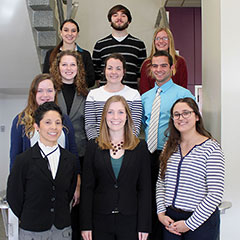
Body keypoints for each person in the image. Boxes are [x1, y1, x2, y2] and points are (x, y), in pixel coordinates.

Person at [80, 95, 151, 240]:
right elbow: (87, 188)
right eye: (110, 112)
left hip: (131, 220)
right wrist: (85, 224)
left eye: (120, 112)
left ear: (127, 116)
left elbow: (145, 189)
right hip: (100, 220)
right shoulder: (93, 146)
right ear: (104, 116)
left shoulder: (140, 147)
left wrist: (144, 225)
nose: (115, 117)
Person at [141, 50, 194, 240]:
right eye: (155, 66)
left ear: (172, 68)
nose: (159, 69)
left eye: (164, 65)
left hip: (171, 155)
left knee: (167, 201)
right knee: (150, 200)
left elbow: (190, 126)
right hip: (148, 155)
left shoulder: (183, 94)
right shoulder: (145, 97)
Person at [7, 101, 78, 240]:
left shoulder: (70, 159)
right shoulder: (23, 160)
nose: (54, 127)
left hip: (62, 230)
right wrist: (30, 217)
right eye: (48, 122)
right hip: (32, 230)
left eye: (58, 123)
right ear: (37, 126)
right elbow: (14, 196)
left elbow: (68, 192)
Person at [156, 97, 225, 240]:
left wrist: (189, 224)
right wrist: (161, 213)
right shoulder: (169, 146)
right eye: (176, 114)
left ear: (197, 117)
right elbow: (161, 183)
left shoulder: (211, 148)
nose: (181, 118)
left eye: (186, 113)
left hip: (201, 222)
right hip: (171, 221)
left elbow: (215, 193)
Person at [50, 49, 88, 240]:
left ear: (78, 68)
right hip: (56, 155)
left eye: (72, 64)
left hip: (80, 155)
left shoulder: (86, 93)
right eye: (64, 64)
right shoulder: (51, 92)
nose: (68, 68)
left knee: (78, 202)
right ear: (58, 68)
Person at [10, 73, 78, 170]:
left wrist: (77, 175)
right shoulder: (21, 120)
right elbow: (15, 156)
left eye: (49, 91)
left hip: (62, 177)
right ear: (34, 94)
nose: (45, 95)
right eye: (40, 91)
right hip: (32, 178)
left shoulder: (65, 119)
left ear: (55, 92)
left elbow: (72, 150)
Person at [85, 53, 142, 140]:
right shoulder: (93, 95)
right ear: (104, 71)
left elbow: (135, 127)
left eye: (118, 68)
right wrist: (99, 146)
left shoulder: (134, 95)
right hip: (99, 147)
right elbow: (90, 126)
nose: (114, 72)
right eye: (110, 68)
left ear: (124, 71)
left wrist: (122, 146)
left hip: (126, 147)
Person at [92, 4, 146, 89]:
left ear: (129, 21)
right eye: (115, 15)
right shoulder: (100, 45)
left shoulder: (139, 45)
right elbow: (96, 73)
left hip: (130, 95)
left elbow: (141, 73)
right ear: (110, 20)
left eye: (123, 15)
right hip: (106, 95)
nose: (119, 18)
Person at [43, 19, 95, 88]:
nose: (70, 34)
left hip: (79, 94)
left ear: (77, 34)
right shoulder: (51, 53)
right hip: (57, 95)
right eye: (66, 30)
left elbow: (91, 80)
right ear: (61, 32)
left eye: (73, 31)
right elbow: (46, 78)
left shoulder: (85, 55)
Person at [140, 27, 188, 94]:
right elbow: (144, 91)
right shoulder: (147, 64)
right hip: (153, 102)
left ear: (170, 41)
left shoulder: (180, 62)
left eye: (165, 38)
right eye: (158, 38)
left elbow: (183, 88)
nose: (161, 41)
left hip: (175, 101)